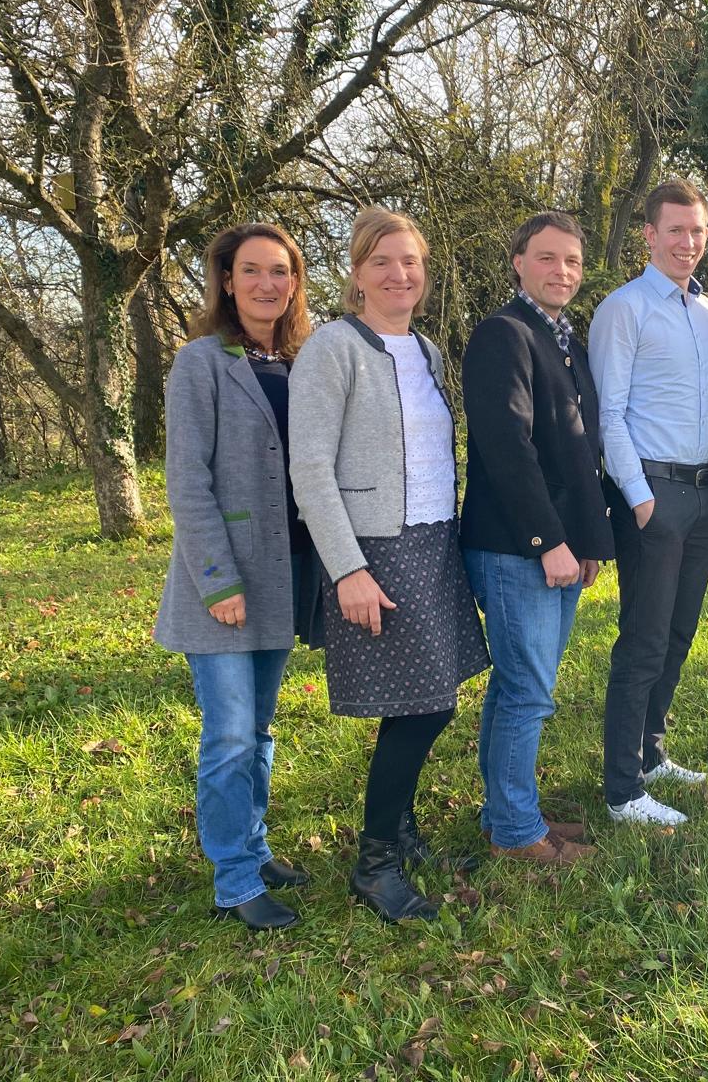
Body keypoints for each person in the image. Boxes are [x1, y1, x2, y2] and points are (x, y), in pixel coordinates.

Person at [290, 207, 489, 922]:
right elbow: (310, 469)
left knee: (426, 698)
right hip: (377, 549)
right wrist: (348, 570)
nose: (399, 274)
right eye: (382, 262)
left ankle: (399, 832)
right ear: (357, 273)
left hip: (434, 543)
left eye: (410, 261)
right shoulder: (332, 348)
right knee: (427, 703)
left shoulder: (426, 349)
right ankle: (374, 864)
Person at [154, 222, 319, 931]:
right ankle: (234, 879)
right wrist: (219, 582)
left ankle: (253, 846)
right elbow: (187, 481)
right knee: (228, 736)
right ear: (226, 280)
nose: (266, 284)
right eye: (251, 270)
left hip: (283, 575)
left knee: (258, 729)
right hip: (221, 582)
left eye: (279, 271)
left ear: (295, 281)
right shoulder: (201, 362)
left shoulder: (300, 362)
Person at [460, 212, 612, 866]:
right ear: (518, 262)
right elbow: (507, 448)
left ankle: (506, 813)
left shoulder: (564, 339)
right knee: (527, 690)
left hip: (558, 543)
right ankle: (518, 834)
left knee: (517, 686)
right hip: (515, 545)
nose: (561, 271)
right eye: (547, 258)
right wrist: (548, 541)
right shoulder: (504, 334)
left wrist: (588, 541)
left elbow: (578, 452)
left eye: (572, 261)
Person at [588, 179, 708, 826]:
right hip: (651, 494)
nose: (686, 242)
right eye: (675, 230)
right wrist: (640, 499)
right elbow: (608, 414)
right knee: (643, 641)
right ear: (649, 234)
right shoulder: (624, 308)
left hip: (703, 494)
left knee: (679, 633)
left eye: (696, 231)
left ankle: (650, 753)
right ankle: (623, 791)